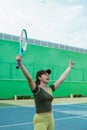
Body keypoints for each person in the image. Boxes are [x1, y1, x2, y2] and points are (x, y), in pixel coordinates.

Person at [16, 55, 74, 130]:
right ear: (39, 78)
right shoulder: (36, 89)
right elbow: (29, 78)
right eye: (45, 74)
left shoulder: (50, 89)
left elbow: (61, 79)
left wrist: (69, 67)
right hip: (40, 120)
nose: (48, 76)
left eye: (48, 74)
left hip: (51, 118)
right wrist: (21, 64)